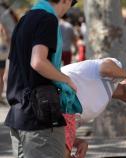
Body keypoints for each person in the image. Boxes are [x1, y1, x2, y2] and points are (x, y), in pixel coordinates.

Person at [4, 0, 78, 157]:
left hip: (18, 116)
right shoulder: (47, 19)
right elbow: (38, 61)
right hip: (41, 118)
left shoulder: (23, 20)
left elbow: (6, 75)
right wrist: (66, 80)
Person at [60, 58, 126, 158]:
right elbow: (105, 69)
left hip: (55, 114)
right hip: (52, 90)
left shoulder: (99, 108)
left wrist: (79, 142)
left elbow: (65, 131)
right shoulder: (114, 73)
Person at [0, 23, 9, 104]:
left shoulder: (3, 27)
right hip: (2, 55)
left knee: (1, 76)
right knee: (1, 77)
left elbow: (7, 39)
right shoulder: (3, 25)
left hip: (2, 55)